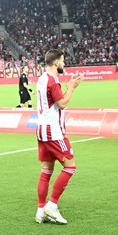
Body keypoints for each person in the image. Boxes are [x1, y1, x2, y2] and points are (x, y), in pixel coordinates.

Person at [34, 49, 83, 225]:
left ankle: (40, 211)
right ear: (56, 62)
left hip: (42, 129)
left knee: (46, 171)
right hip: (54, 131)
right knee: (70, 166)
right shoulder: (53, 80)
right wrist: (71, 88)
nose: (64, 63)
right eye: (62, 60)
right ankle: (52, 205)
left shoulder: (42, 78)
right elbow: (62, 103)